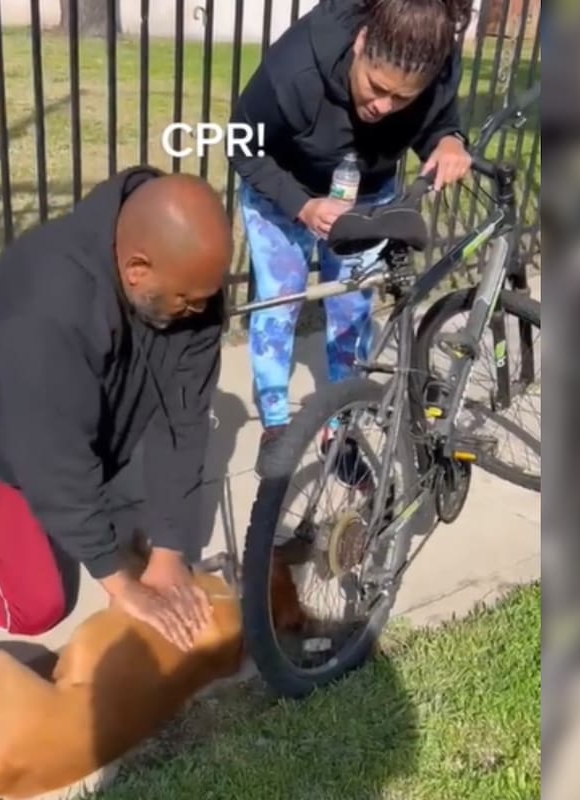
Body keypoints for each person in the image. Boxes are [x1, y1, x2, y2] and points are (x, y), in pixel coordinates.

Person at [0, 168, 232, 652]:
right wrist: (120, 583)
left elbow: (184, 418)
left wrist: (169, 551)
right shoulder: (53, 307)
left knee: (72, 521)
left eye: (207, 298)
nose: (201, 311)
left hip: (17, 417)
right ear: (137, 270)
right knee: (34, 602)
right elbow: (57, 462)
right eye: (188, 302)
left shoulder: (189, 283)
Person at [228, 0, 475, 478]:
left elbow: (438, 121)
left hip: (366, 189)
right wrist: (301, 205)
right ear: (361, 44)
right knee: (279, 307)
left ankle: (341, 427)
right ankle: (277, 426)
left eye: (402, 98)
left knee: (351, 313)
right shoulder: (295, 69)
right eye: (377, 87)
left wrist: (449, 141)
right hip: (283, 188)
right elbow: (242, 143)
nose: (383, 106)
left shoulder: (435, 60)